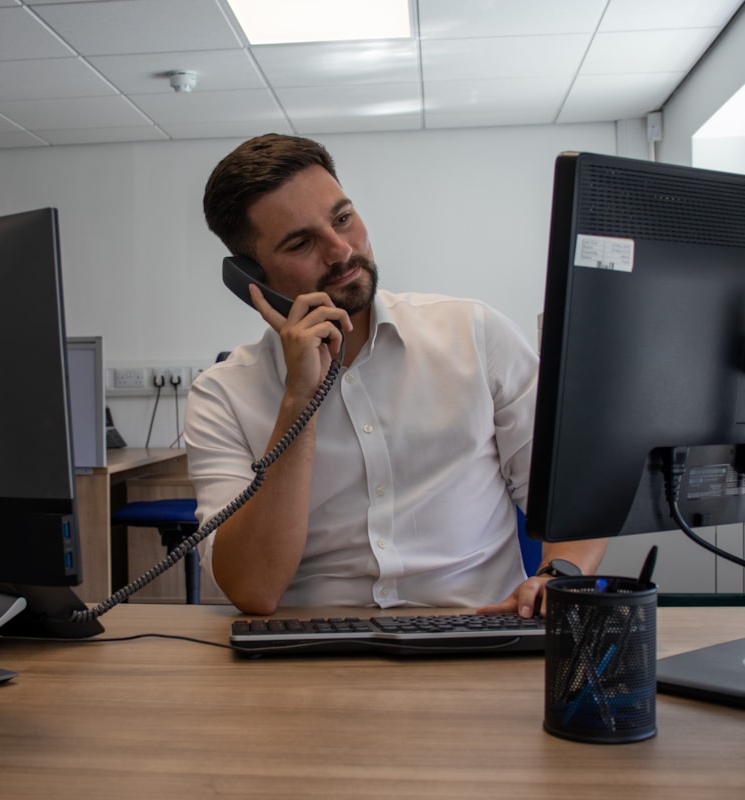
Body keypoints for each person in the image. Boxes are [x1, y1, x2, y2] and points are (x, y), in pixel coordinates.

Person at [185, 133, 606, 617]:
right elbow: (253, 589)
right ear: (252, 278)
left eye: (342, 219)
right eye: (302, 243)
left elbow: (574, 503)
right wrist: (299, 400)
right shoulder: (220, 395)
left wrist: (559, 575)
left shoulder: (475, 334)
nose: (341, 251)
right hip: (309, 656)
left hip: (478, 634)